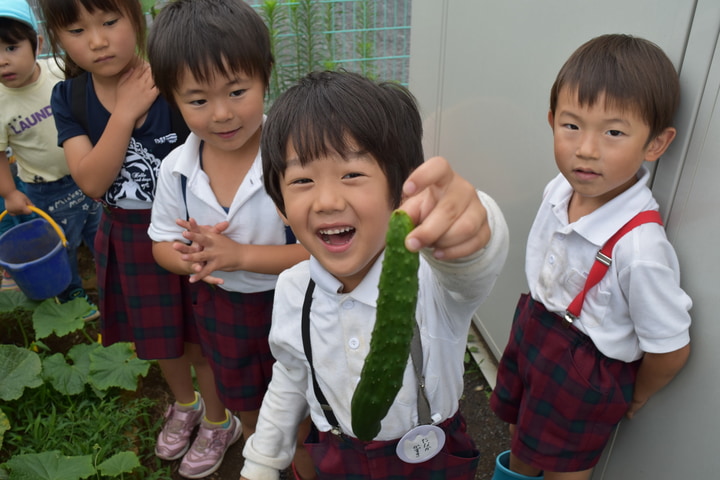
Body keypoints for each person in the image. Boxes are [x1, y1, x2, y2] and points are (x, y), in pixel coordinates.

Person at [239, 70, 510, 480]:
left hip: (426, 459)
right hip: (338, 453)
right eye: (301, 180)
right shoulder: (294, 289)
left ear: (400, 191)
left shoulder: (431, 280)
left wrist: (474, 223)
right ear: (280, 207)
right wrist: (261, 461)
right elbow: (293, 375)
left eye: (352, 174)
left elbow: (473, 266)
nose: (327, 200)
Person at [489, 34, 693, 480]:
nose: (586, 148)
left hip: (583, 375)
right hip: (534, 331)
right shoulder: (560, 189)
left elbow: (671, 348)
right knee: (518, 434)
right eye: (571, 125)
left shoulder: (640, 247)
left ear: (655, 145)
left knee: (567, 471)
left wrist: (637, 395)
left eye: (614, 132)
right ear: (551, 121)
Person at [145, 0, 314, 478]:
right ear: (172, 99)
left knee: (303, 412)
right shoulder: (176, 170)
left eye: (237, 91)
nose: (221, 114)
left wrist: (238, 254)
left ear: (265, 77)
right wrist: (189, 259)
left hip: (295, 302)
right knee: (246, 401)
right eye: (197, 100)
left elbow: (318, 252)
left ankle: (303, 463)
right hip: (224, 310)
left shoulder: (294, 159)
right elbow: (160, 243)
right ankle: (258, 447)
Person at [36, 0, 201, 476]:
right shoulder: (70, 97)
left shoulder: (171, 81)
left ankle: (218, 418)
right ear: (56, 38)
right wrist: (126, 112)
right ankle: (184, 404)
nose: (98, 39)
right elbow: (91, 181)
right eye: (77, 29)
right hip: (127, 234)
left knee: (200, 338)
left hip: (187, 234)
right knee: (159, 338)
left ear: (138, 20)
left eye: (110, 21)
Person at [0, 0, 100, 313]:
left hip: (89, 174)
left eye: (11, 48)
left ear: (38, 43)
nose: (2, 61)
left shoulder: (59, 71)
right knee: (62, 244)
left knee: (100, 234)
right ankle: (72, 297)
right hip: (47, 189)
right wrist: (10, 192)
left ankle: (115, 280)